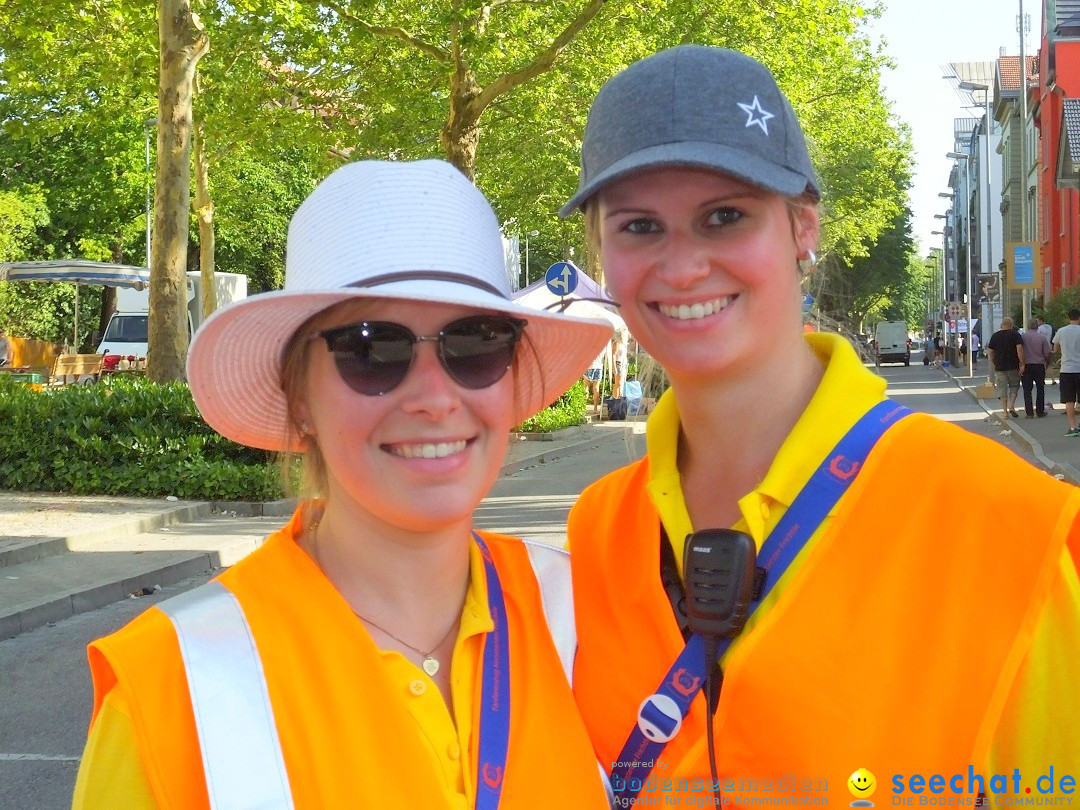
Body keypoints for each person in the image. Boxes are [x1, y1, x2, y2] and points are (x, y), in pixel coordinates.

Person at [559, 45, 1080, 805]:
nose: (681, 268)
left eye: (725, 216)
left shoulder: (1001, 522)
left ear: (803, 227)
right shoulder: (595, 535)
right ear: (600, 255)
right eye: (639, 227)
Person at [72, 160, 613, 808]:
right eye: (371, 349)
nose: (435, 398)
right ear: (300, 398)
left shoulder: (595, 618)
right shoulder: (169, 686)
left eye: (476, 343)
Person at [986, 316, 1025, 418]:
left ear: (1001, 325)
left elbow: (990, 351)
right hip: (1013, 366)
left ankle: (1005, 412)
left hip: (1000, 367)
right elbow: (1019, 349)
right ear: (1011, 325)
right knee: (1014, 386)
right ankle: (1011, 405)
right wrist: (1022, 363)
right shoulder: (1015, 335)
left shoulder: (995, 336)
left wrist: (993, 362)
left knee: (1002, 389)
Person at [1053, 308, 1080, 437]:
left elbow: (1055, 348)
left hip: (1067, 370)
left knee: (1069, 400)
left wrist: (1063, 354)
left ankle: (1073, 427)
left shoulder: (1061, 331)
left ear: (1069, 317)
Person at [1020, 321, 1052, 418]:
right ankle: (1040, 411)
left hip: (1026, 365)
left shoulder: (1022, 337)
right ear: (1037, 327)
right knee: (1040, 389)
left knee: (1027, 390)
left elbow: (1019, 350)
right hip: (1039, 365)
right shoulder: (1042, 337)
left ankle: (1029, 413)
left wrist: (1021, 364)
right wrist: (1047, 363)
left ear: (1028, 326)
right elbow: (1047, 353)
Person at [583, 346, 607, 411]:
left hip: (589, 366)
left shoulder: (593, 343)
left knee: (586, 387)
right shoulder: (605, 346)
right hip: (599, 367)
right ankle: (595, 409)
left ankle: (583, 407)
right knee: (596, 388)